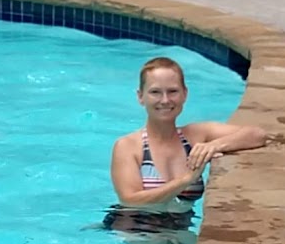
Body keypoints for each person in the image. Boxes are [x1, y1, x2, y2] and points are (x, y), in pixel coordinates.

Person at [102, 56, 267, 233]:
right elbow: (130, 200)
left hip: (178, 226)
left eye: (172, 91)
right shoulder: (128, 146)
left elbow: (257, 135)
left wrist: (214, 146)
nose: (165, 100)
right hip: (134, 228)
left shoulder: (195, 135)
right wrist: (185, 180)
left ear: (185, 94)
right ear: (140, 97)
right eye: (155, 92)